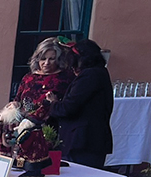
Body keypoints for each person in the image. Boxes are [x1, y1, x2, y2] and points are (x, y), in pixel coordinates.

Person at [9, 37, 76, 177]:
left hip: (49, 127)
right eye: (43, 58)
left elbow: (68, 104)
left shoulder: (65, 78)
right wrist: (14, 106)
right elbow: (18, 99)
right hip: (23, 126)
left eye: (51, 59)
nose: (46, 63)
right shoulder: (29, 77)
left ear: (58, 60)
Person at [48, 38, 114, 169]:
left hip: (82, 142)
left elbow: (69, 107)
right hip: (90, 141)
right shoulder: (99, 73)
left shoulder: (90, 76)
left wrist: (53, 103)